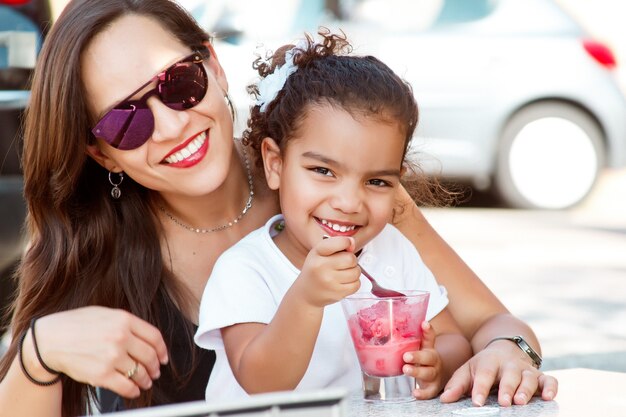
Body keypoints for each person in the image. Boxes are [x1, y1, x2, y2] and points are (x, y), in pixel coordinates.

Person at [0, 0, 557, 415]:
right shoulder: (95, 250)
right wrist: (40, 352)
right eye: (127, 119)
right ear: (103, 153)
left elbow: (492, 325)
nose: (171, 126)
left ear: (214, 67)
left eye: (179, 84)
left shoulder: (348, 196)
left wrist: (506, 354)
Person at [194, 30, 473, 400]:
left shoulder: (391, 251)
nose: (349, 202)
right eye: (323, 172)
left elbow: (455, 339)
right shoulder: (246, 269)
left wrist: (435, 361)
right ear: (275, 164)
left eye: (376, 181)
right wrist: (306, 299)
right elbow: (260, 381)